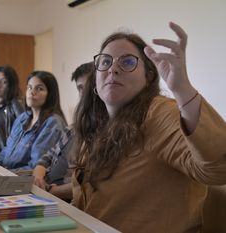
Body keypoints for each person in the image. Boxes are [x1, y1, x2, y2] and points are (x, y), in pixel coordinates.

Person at [72, 22, 226, 233]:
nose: (113, 69)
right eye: (105, 61)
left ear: (148, 78)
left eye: (127, 62)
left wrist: (183, 90)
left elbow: (218, 169)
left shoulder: (157, 112)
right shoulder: (96, 125)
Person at [32, 62, 93, 201]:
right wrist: (38, 176)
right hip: (44, 189)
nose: (84, 94)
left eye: (89, 86)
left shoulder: (104, 132)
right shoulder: (73, 128)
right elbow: (47, 156)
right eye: (80, 88)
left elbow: (87, 185)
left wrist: (50, 191)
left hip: (62, 199)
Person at [0, 71, 67, 171]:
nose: (32, 92)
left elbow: (35, 166)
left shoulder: (53, 123)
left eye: (39, 88)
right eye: (29, 87)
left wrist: (3, 174)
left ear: (50, 95)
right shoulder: (22, 118)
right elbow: (6, 150)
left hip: (26, 181)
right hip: (7, 175)